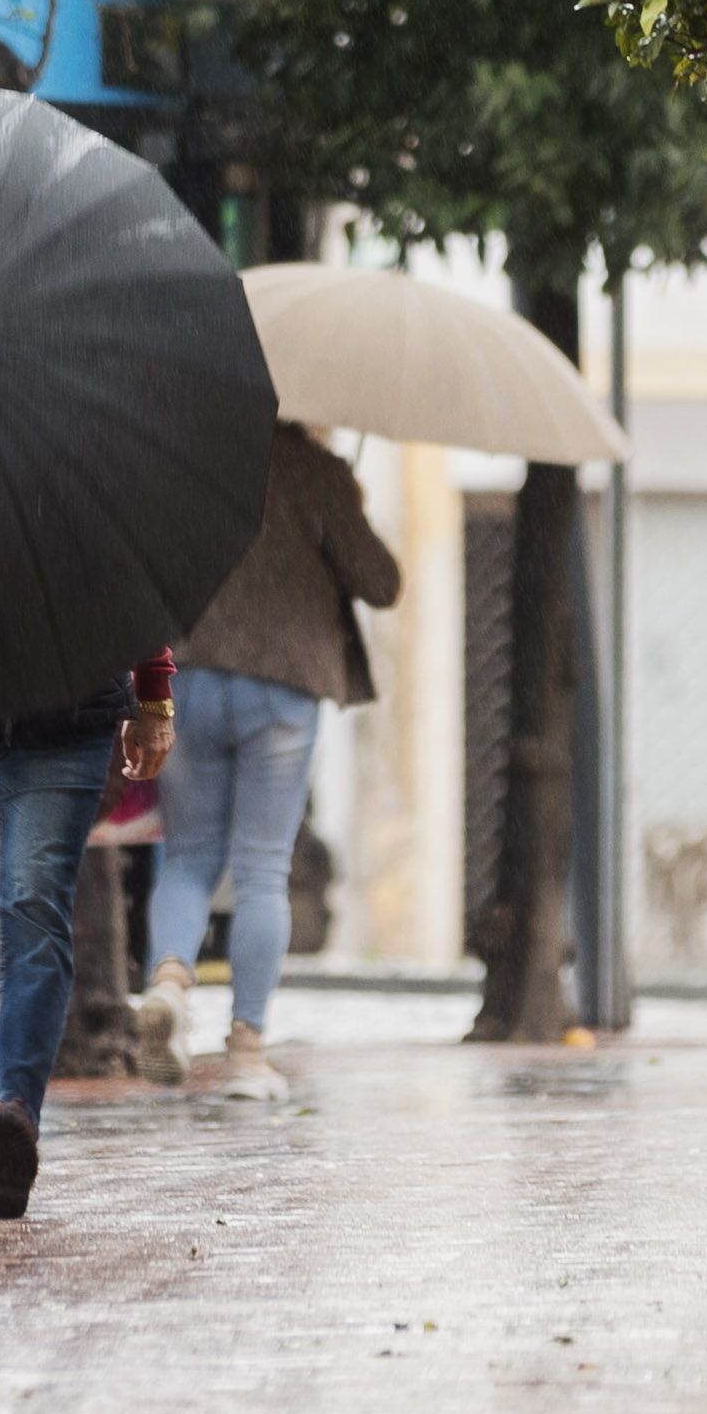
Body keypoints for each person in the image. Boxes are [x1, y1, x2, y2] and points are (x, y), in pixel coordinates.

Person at [133, 421, 402, 1100]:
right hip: (282, 688)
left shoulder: (188, 456)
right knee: (260, 869)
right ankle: (246, 1052)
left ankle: (168, 981)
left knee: (188, 856)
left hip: (189, 671)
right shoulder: (316, 470)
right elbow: (380, 582)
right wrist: (345, 507)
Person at [0, 647, 175, 1218]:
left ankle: (14, 1111)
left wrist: (152, 694)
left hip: (64, 714)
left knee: (32, 903)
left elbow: (125, 564)